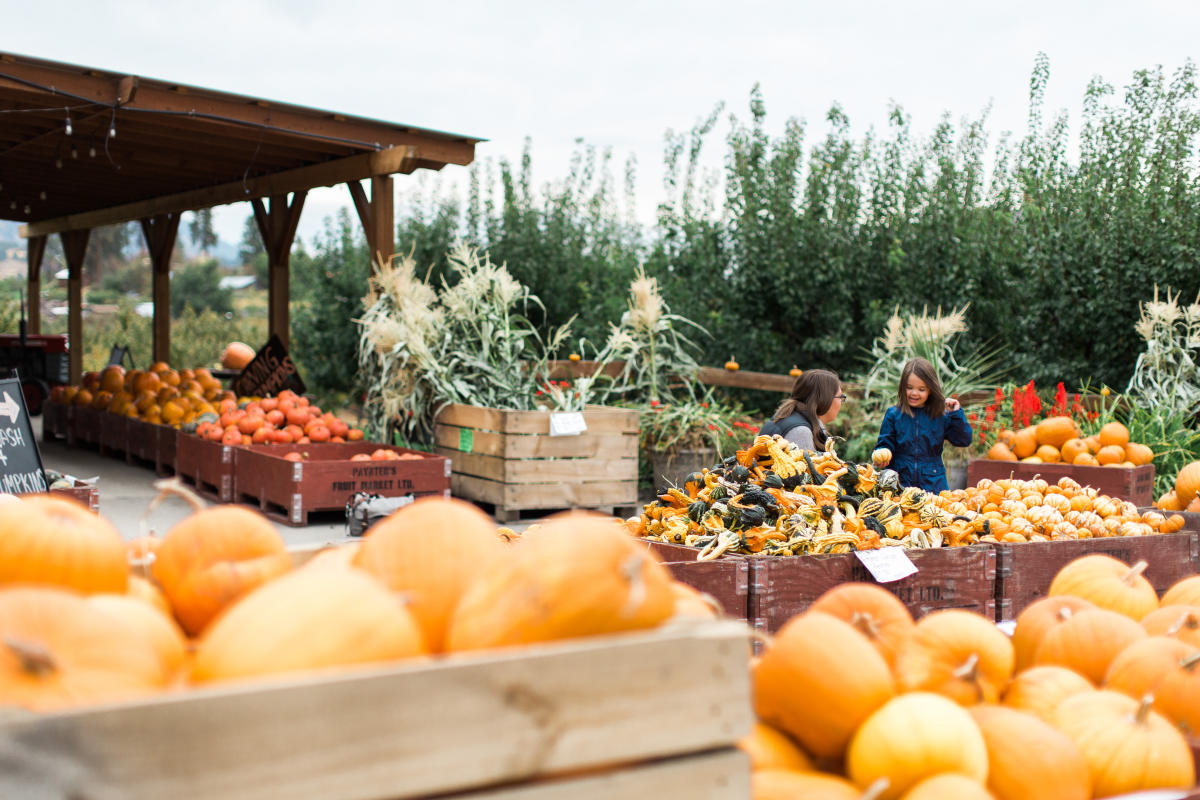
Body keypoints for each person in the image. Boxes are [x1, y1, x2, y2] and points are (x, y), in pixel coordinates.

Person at [874, 357, 973, 492]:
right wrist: (882, 457)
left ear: (931, 390)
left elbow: (963, 440)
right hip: (899, 483)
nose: (914, 393)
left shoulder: (940, 415)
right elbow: (884, 444)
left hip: (933, 483)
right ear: (903, 387)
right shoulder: (893, 414)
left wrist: (956, 415)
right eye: (909, 388)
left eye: (921, 389)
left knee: (935, 512)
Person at [759, 369, 845, 452]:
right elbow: (805, 467)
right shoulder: (800, 432)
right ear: (825, 399)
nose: (842, 401)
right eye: (841, 397)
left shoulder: (789, 417)